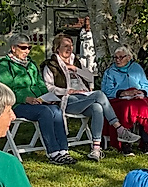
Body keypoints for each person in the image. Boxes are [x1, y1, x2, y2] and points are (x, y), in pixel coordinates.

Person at [41, 33, 140, 161]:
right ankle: (120, 129)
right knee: (99, 94)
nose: (69, 49)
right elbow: (49, 88)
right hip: (65, 100)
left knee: (97, 107)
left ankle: (96, 149)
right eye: (65, 46)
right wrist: (67, 91)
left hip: (83, 97)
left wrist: (75, 69)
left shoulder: (76, 61)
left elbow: (90, 77)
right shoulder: (51, 65)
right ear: (57, 48)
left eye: (71, 46)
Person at [0, 33, 77, 165]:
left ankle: (63, 150)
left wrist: (46, 97)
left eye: (28, 48)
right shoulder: (5, 66)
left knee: (56, 110)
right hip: (16, 105)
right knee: (44, 112)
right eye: (23, 47)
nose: (26, 51)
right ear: (13, 48)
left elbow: (40, 84)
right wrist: (25, 98)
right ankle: (53, 153)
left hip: (36, 102)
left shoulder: (31, 64)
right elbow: (6, 90)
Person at [101, 46, 148, 155]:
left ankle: (146, 142)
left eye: (121, 57)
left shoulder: (136, 68)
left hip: (136, 98)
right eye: (116, 57)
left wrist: (142, 93)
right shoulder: (110, 71)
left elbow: (147, 86)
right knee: (127, 108)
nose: (118, 60)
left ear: (129, 57)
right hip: (118, 100)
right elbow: (106, 91)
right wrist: (123, 93)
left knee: (145, 106)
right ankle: (125, 144)